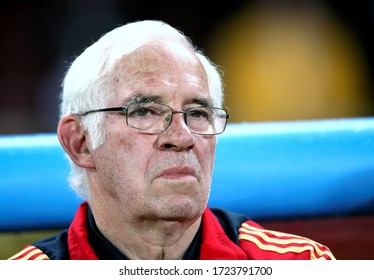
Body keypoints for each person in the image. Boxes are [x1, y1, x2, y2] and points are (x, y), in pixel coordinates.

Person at [9, 20, 335, 260]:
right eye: (145, 111)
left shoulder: (301, 263)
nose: (182, 137)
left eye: (197, 113)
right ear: (80, 142)